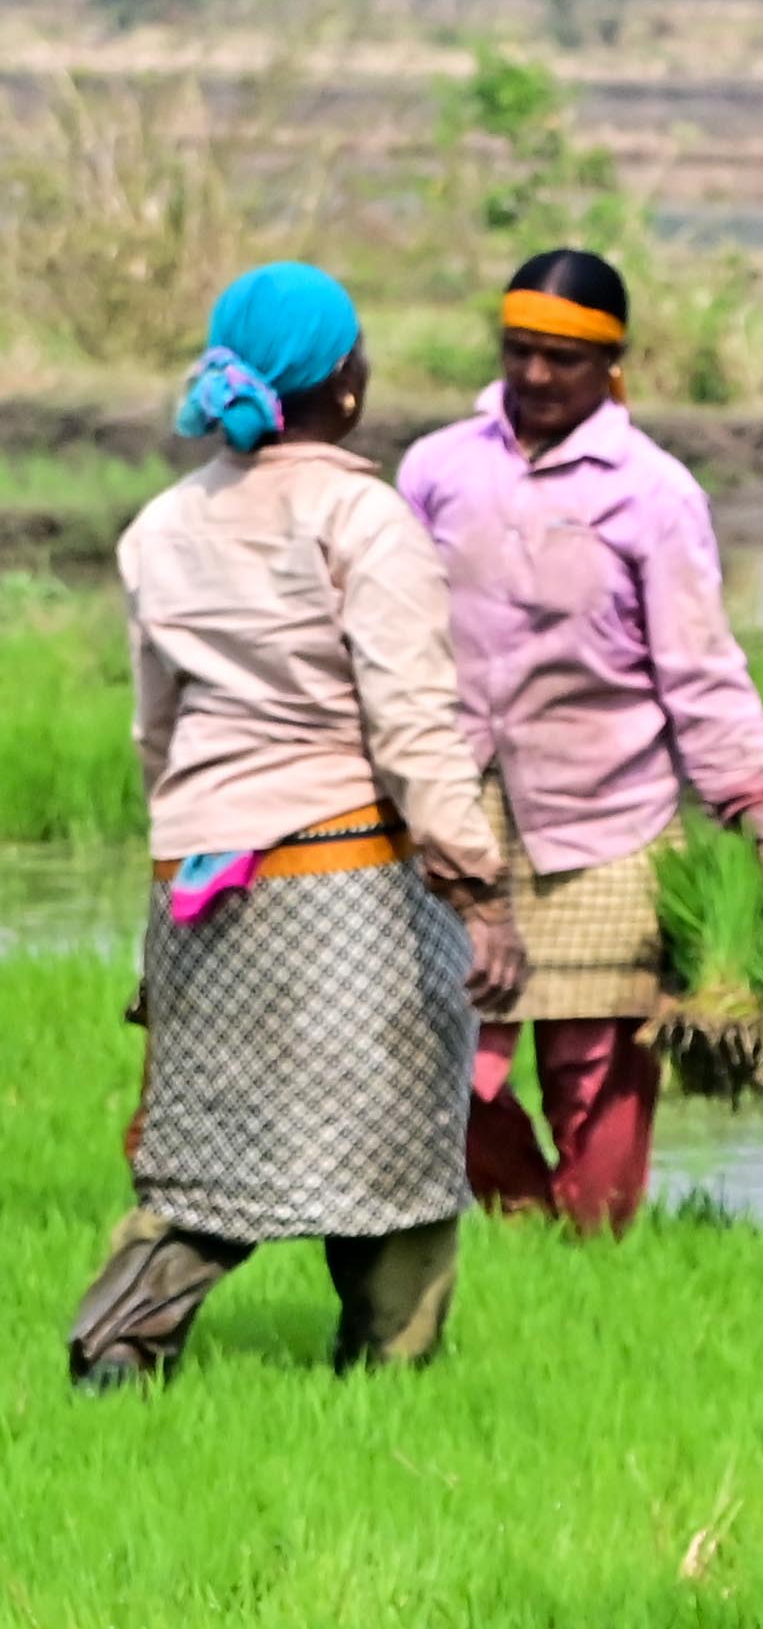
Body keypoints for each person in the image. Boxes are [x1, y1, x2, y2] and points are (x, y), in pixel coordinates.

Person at [70, 264, 516, 1388]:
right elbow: (413, 729)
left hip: (204, 879)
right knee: (399, 1149)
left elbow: (155, 735)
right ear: (345, 385)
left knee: (207, 1147)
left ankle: (119, 1338)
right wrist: (477, 890)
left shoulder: (161, 527)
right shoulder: (363, 517)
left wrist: (167, 885)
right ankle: (391, 1386)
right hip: (346, 878)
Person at [400, 246, 763, 1235]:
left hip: (606, 820)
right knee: (445, 1059)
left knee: (598, 1074)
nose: (535, 377)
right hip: (456, 812)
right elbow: (389, 634)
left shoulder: (654, 494)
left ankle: (594, 1254)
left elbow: (698, 664)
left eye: (562, 360)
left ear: (610, 364)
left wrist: (755, 801)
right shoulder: (439, 469)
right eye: (519, 352)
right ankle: (528, 1226)